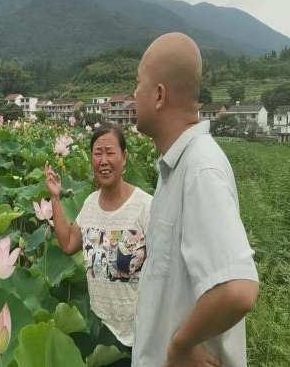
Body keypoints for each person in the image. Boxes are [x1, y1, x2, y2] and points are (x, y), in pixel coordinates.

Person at [132, 32, 259, 367]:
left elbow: (238, 289)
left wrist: (181, 346)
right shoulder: (177, 166)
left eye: (138, 84)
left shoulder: (199, 168)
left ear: (158, 95)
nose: (134, 95)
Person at [45, 124, 152, 360]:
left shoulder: (146, 206)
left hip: (139, 335)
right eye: (97, 153)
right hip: (99, 329)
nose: (103, 161)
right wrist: (55, 197)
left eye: (110, 152)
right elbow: (69, 243)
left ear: (124, 157)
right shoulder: (90, 204)